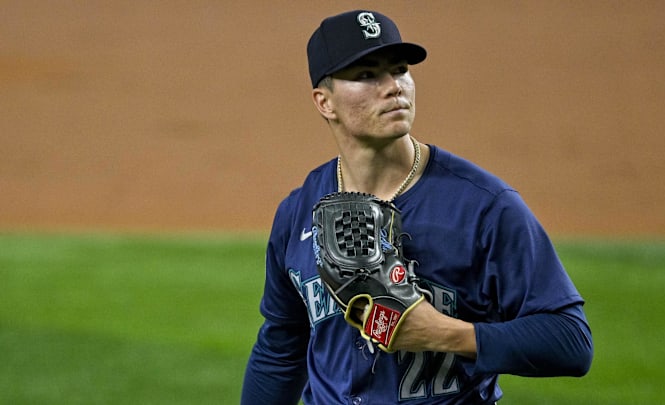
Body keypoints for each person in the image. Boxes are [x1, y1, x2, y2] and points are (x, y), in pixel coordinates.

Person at [242, 9, 593, 404]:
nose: (393, 87)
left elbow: (570, 340)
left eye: (400, 69)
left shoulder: (484, 207)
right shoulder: (298, 212)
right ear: (324, 102)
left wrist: (443, 333)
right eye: (367, 75)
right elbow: (281, 349)